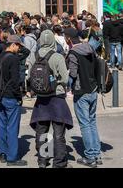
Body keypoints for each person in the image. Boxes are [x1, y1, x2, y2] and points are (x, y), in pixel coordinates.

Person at [29, 30, 73, 168]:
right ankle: (59, 163)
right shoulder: (57, 57)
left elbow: (29, 76)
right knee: (58, 133)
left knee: (41, 130)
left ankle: (43, 160)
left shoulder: (33, 55)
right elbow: (65, 79)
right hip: (56, 96)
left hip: (41, 97)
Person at [65, 27, 103, 167]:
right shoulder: (92, 50)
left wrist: (67, 85)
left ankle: (90, 156)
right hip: (93, 89)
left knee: (85, 124)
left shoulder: (74, 52)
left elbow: (73, 74)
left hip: (81, 91)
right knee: (92, 122)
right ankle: (97, 153)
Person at [0, 34, 27, 166]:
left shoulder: (0, 56)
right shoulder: (13, 59)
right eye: (18, 45)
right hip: (10, 96)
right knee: (13, 127)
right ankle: (12, 157)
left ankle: (2, 153)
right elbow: (15, 81)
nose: (19, 48)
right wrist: (19, 97)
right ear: (13, 44)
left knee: (2, 125)